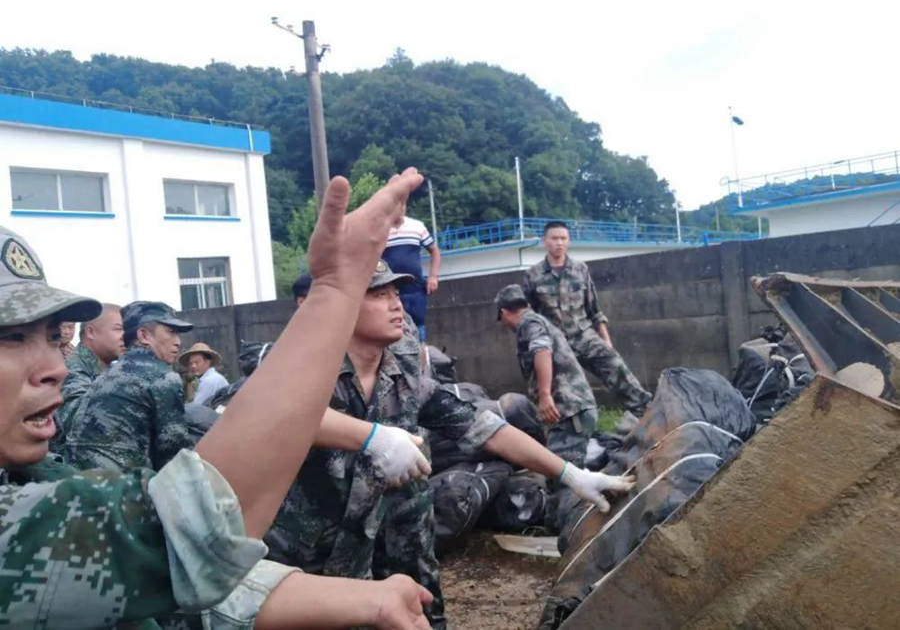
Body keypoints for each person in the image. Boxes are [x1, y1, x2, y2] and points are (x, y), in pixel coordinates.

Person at [0, 167, 438, 628]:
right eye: (10, 338)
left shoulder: (37, 477)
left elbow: (186, 588)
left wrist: (373, 600)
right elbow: (186, 537)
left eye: (52, 337)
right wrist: (336, 288)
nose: (55, 368)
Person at [265, 260, 635, 629]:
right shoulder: (300, 365)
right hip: (298, 559)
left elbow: (488, 429)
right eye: (378, 294)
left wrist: (570, 473)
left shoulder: (405, 381)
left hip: (356, 559)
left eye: (396, 293)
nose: (396, 305)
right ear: (342, 306)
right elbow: (271, 411)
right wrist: (372, 438)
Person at [496, 284, 600, 526]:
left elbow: (541, 350)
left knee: (565, 481)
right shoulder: (539, 320)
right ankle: (556, 529)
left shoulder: (529, 323)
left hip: (569, 411)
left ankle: (572, 532)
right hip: (570, 411)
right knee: (558, 477)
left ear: (504, 312)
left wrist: (544, 395)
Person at [522, 220, 652, 415]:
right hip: (556, 343)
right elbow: (529, 317)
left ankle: (647, 413)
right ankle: (565, 426)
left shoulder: (580, 269)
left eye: (563, 238)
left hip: (584, 336)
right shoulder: (533, 275)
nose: (559, 243)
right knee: (562, 392)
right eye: (554, 238)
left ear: (569, 241)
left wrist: (606, 341)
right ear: (544, 241)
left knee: (616, 367)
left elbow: (594, 309)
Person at [64, 300, 197, 471]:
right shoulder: (162, 377)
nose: (178, 341)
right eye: (171, 332)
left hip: (83, 478)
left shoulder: (111, 371)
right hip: (122, 482)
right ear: (144, 336)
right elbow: (174, 456)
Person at [51, 303, 124, 452]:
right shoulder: (74, 368)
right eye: (118, 329)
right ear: (91, 332)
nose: (126, 336)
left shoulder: (110, 369)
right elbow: (81, 424)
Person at [381, 209, 441, 341]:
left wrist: (433, 277)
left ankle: (421, 352)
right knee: (394, 329)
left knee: (419, 327)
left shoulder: (417, 226)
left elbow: (434, 251)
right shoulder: (378, 228)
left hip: (415, 288)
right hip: (390, 289)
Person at [180, 342, 229, 407]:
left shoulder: (210, 380)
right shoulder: (207, 378)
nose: (193, 366)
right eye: (191, 363)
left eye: (197, 362)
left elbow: (196, 407)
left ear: (207, 362)